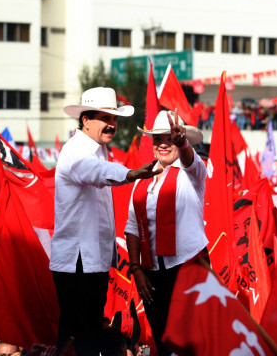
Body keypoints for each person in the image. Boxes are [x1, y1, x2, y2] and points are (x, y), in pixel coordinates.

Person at [50, 87, 162, 356]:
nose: (111, 124)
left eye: (114, 119)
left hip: (92, 262)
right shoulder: (75, 150)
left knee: (86, 336)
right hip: (76, 263)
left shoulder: (98, 151)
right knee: (78, 339)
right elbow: (96, 172)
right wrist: (131, 173)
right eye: (104, 118)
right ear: (85, 120)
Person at [125, 110, 208, 356]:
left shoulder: (191, 173)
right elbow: (131, 226)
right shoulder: (142, 179)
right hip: (152, 275)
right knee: (163, 343)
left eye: (169, 138)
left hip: (187, 268)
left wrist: (181, 142)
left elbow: (191, 161)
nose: (163, 143)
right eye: (157, 138)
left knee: (190, 342)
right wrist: (136, 268)